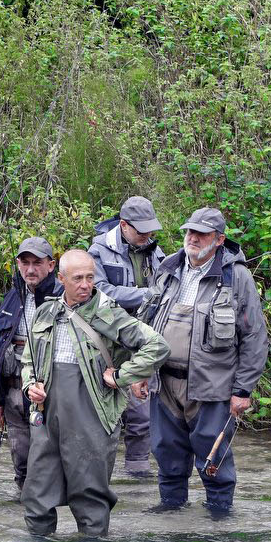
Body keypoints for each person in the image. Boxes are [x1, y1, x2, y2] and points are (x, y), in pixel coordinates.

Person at [20, 250, 169, 537]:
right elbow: (28, 360)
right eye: (78, 278)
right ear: (61, 278)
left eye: (90, 277)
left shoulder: (109, 313)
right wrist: (30, 386)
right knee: (36, 495)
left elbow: (157, 346)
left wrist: (122, 376)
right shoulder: (44, 312)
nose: (86, 284)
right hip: (47, 414)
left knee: (90, 496)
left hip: (93, 414)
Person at [144, 208, 269, 517]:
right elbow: (143, 325)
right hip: (164, 384)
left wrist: (243, 390)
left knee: (215, 462)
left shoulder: (237, 277)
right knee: (166, 454)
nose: (193, 238)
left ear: (219, 240)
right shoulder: (167, 268)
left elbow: (255, 337)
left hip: (212, 387)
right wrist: (138, 372)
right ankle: (171, 519)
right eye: (189, 232)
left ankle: (219, 520)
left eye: (201, 234)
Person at [90, 195, 167, 478]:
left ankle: (138, 474)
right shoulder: (97, 251)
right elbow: (98, 293)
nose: (148, 235)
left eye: (150, 229)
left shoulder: (156, 253)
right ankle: (98, 475)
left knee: (143, 416)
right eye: (141, 230)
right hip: (106, 343)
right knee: (104, 414)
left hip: (143, 341)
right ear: (123, 225)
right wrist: (145, 295)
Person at [0, 237, 61, 494]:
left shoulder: (64, 298)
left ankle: (45, 509)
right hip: (12, 393)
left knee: (47, 457)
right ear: (17, 264)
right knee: (20, 458)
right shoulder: (11, 298)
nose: (30, 269)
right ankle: (24, 508)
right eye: (25, 263)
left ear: (51, 265)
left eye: (37, 263)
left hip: (48, 393)